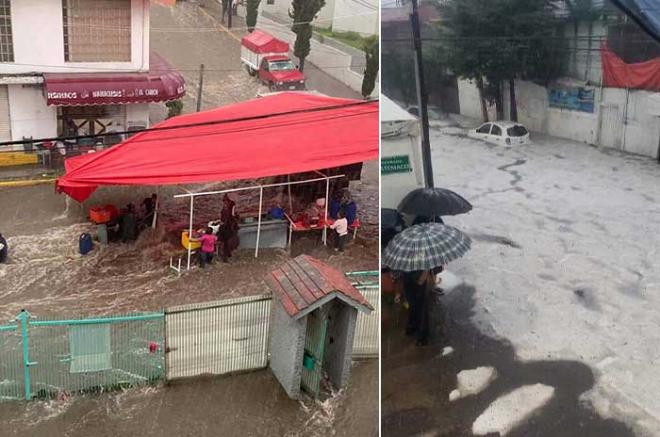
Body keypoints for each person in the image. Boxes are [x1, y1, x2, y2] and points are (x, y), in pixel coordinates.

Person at [402, 269, 439, 346]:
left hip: (420, 277)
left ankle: (423, 336)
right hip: (407, 276)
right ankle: (413, 326)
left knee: (422, 307)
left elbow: (427, 261)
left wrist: (424, 276)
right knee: (412, 304)